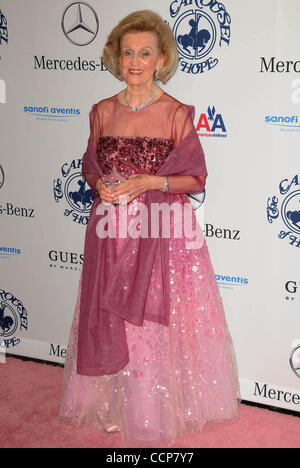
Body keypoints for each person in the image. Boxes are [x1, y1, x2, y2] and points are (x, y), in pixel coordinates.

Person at [59, 9, 240, 446]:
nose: (135, 62)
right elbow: (89, 166)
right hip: (112, 230)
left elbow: (195, 177)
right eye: (127, 53)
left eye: (145, 53)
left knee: (152, 323)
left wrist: (149, 181)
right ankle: (117, 403)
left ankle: (155, 405)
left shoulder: (177, 113)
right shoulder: (100, 112)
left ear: (161, 59)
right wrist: (98, 182)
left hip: (162, 232)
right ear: (115, 58)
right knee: (112, 318)